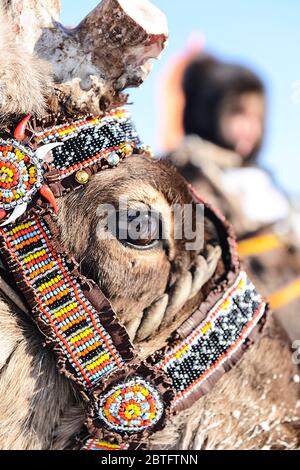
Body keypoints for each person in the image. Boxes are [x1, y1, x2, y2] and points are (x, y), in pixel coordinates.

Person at [167, 53, 300, 340]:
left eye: (257, 117)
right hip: (254, 333)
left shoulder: (262, 177)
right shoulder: (190, 174)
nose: (250, 127)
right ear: (210, 112)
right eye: (239, 114)